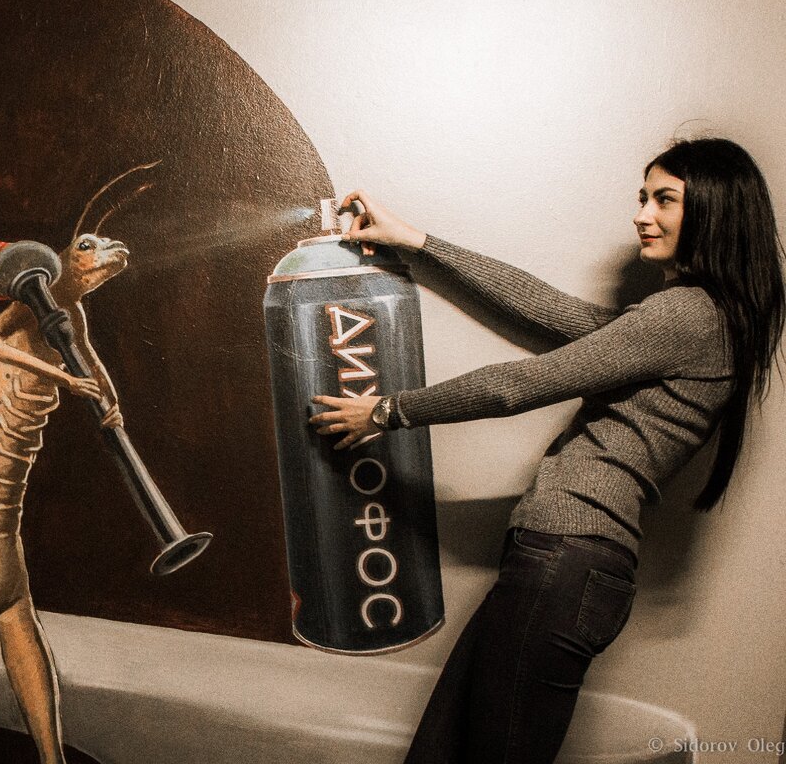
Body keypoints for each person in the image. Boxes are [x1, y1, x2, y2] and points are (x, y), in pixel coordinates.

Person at [309, 137, 785, 763]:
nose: (641, 215)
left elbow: (521, 385)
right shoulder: (692, 319)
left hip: (566, 563)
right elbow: (547, 309)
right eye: (642, 198)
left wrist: (386, 412)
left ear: (716, 210)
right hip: (562, 562)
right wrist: (418, 242)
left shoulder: (688, 316)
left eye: (663, 200)